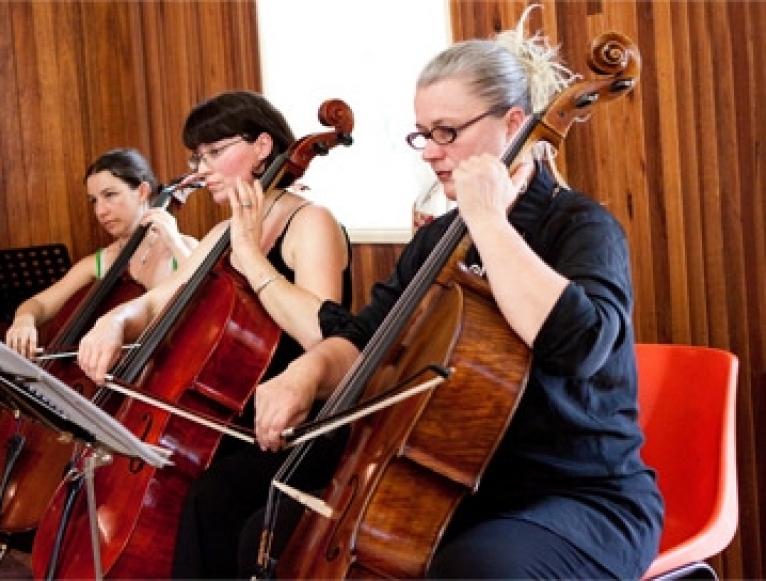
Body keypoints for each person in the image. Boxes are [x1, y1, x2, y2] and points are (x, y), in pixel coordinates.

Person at [238, 9, 664, 580]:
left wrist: (488, 219)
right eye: (423, 134)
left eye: (448, 132)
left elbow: (578, 344)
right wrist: (307, 373)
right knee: (267, 534)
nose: (431, 151)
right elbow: (365, 341)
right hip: (460, 487)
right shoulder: (439, 241)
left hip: (579, 496)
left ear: (513, 123)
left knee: (477, 569)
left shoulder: (581, 227)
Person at [74, 90, 353, 579]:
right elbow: (156, 302)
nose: (201, 170)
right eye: (197, 158)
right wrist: (113, 321)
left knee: (209, 498)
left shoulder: (311, 223)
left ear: (264, 145)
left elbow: (320, 335)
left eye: (215, 152)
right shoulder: (220, 234)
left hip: (292, 426)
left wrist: (251, 258)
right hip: (222, 421)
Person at [5, 147, 198, 359]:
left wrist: (173, 241)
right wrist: (23, 321)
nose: (100, 211)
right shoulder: (102, 261)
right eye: (94, 200)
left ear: (143, 192)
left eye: (110, 195)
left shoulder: (186, 249)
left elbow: (206, 297)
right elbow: (38, 304)